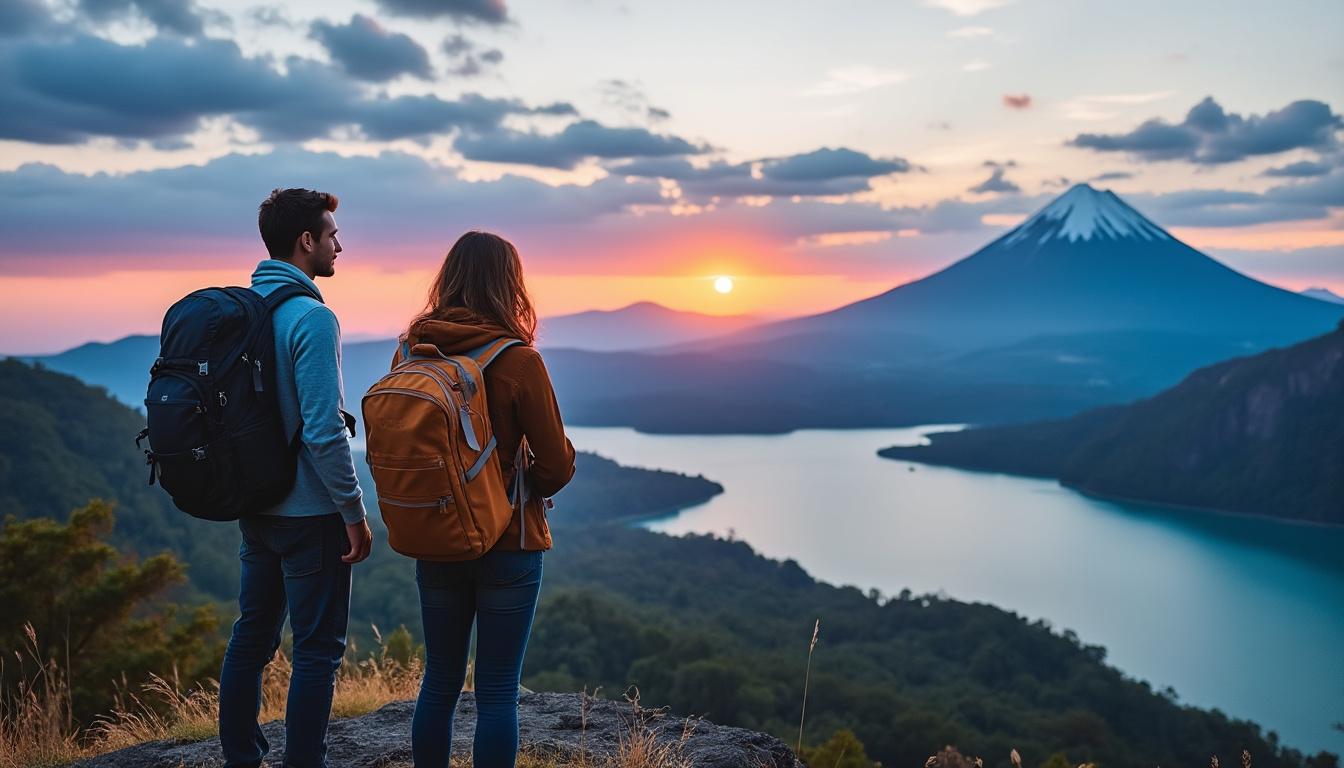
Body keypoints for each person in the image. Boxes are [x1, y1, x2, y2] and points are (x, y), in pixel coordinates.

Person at [396, 231, 576, 768]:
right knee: (497, 689)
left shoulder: (410, 351)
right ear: (509, 285)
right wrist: (526, 487)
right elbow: (556, 466)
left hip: (437, 536)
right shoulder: (519, 360)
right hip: (508, 541)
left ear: (447, 279)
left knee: (440, 679)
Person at [218, 188, 374, 768]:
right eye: (332, 234)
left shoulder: (241, 311)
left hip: (255, 507)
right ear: (306, 242)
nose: (340, 245)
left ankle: (242, 759)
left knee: (252, 637)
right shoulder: (312, 318)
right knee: (316, 651)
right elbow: (324, 432)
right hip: (310, 515)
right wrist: (354, 513)